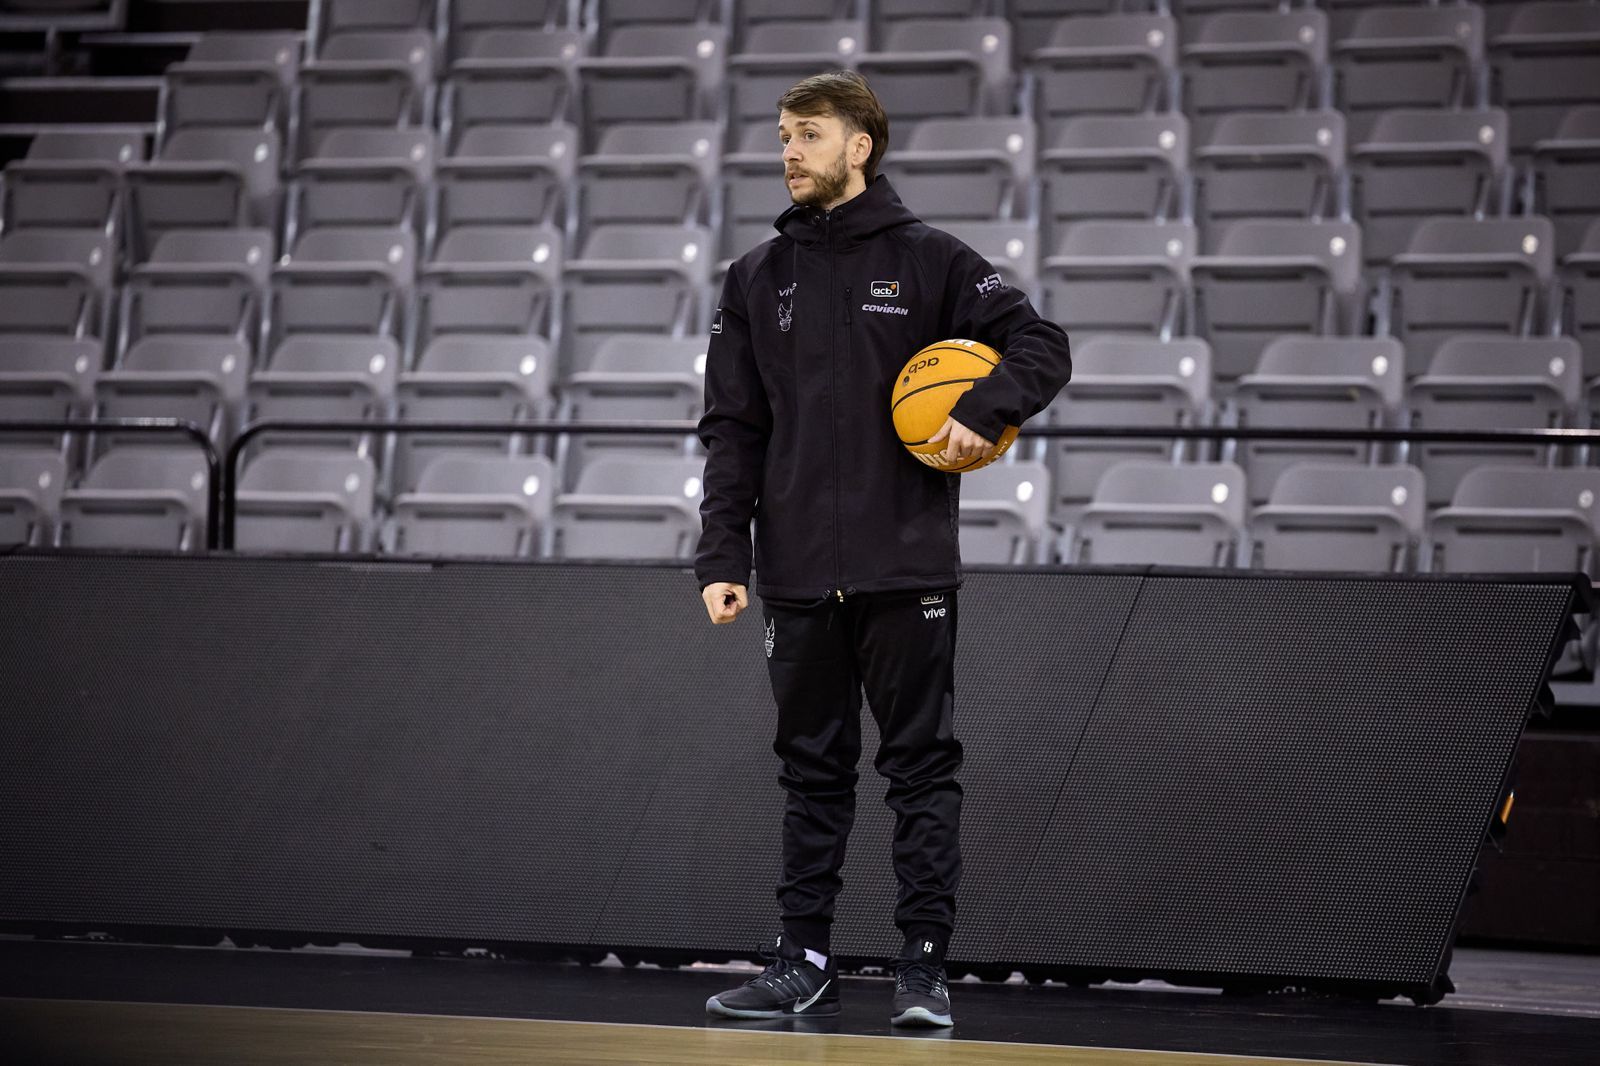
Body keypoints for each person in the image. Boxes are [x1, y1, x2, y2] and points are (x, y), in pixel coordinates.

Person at [695, 71, 1072, 1028]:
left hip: (906, 569)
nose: (789, 151)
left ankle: (922, 971)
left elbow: (1040, 344)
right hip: (791, 577)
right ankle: (803, 961)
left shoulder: (933, 260)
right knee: (811, 773)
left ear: (860, 145)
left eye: (809, 134)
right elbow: (732, 431)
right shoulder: (753, 280)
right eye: (783, 134)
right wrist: (720, 558)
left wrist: (980, 413)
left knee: (920, 769)